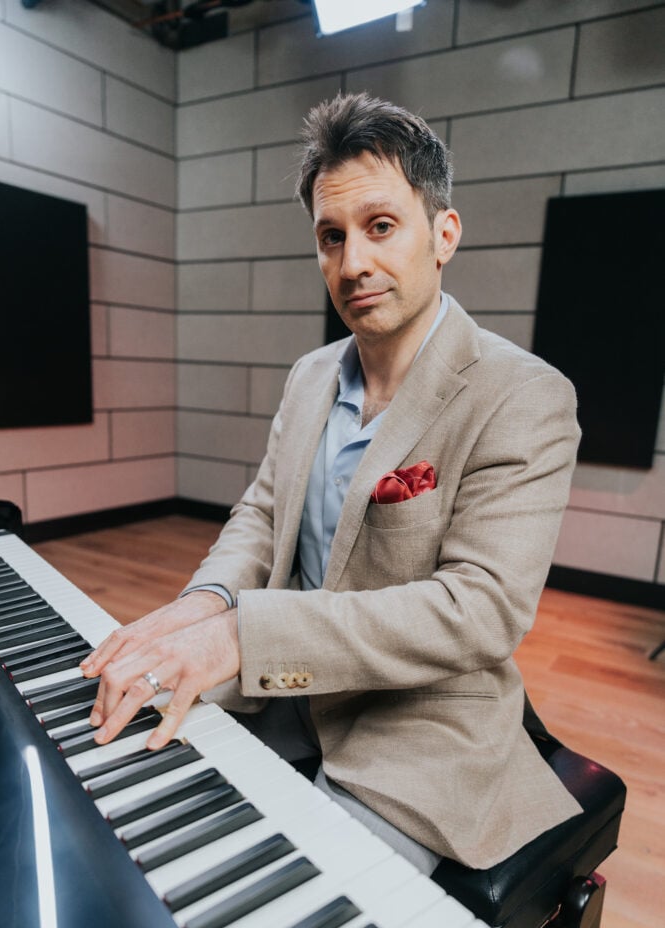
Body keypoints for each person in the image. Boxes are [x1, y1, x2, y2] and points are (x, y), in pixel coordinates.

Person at [81, 92, 582, 872]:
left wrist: (244, 636)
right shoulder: (310, 374)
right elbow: (261, 512)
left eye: (380, 227)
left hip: (413, 731)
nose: (353, 264)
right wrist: (202, 605)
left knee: (276, 913)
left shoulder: (523, 393)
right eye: (330, 237)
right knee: (133, 825)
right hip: (280, 696)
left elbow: (478, 612)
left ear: (442, 234)